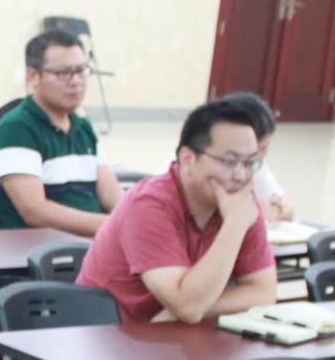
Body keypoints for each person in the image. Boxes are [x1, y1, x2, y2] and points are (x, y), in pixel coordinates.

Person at [76, 97, 278, 325]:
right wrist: (235, 225)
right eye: (230, 161)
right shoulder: (149, 204)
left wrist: (178, 313)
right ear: (188, 159)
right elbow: (187, 307)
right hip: (108, 335)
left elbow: (263, 293)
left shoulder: (238, 199)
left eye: (250, 163)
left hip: (173, 335)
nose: (241, 175)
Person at [0, 30, 121, 235]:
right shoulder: (15, 129)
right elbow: (35, 212)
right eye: (63, 73)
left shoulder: (82, 127)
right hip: (42, 250)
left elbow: (112, 196)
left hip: (92, 243)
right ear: (33, 76)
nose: (76, 81)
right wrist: (115, 228)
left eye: (81, 70)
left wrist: (137, 220)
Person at [215, 90, 297, 221]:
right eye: (261, 148)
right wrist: (257, 212)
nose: (263, 155)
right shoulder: (208, 165)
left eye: (266, 147)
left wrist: (283, 208)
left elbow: (284, 207)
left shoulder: (256, 165)